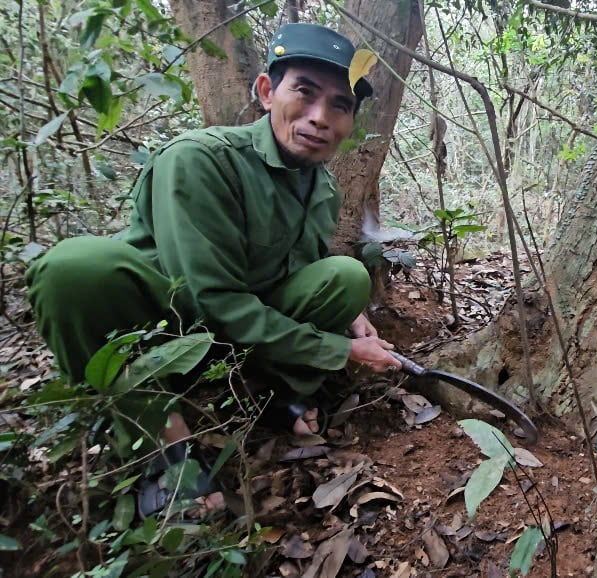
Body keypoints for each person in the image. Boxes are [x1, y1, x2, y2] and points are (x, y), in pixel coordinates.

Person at [25, 22, 402, 515]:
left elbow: (302, 265)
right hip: (165, 329)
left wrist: (351, 318)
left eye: (339, 105)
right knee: (71, 268)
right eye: (304, 94)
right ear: (267, 92)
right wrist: (341, 349)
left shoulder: (322, 187)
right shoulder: (200, 160)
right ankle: (164, 451)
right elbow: (213, 300)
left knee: (346, 277)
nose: (319, 118)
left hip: (237, 334)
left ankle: (272, 397)